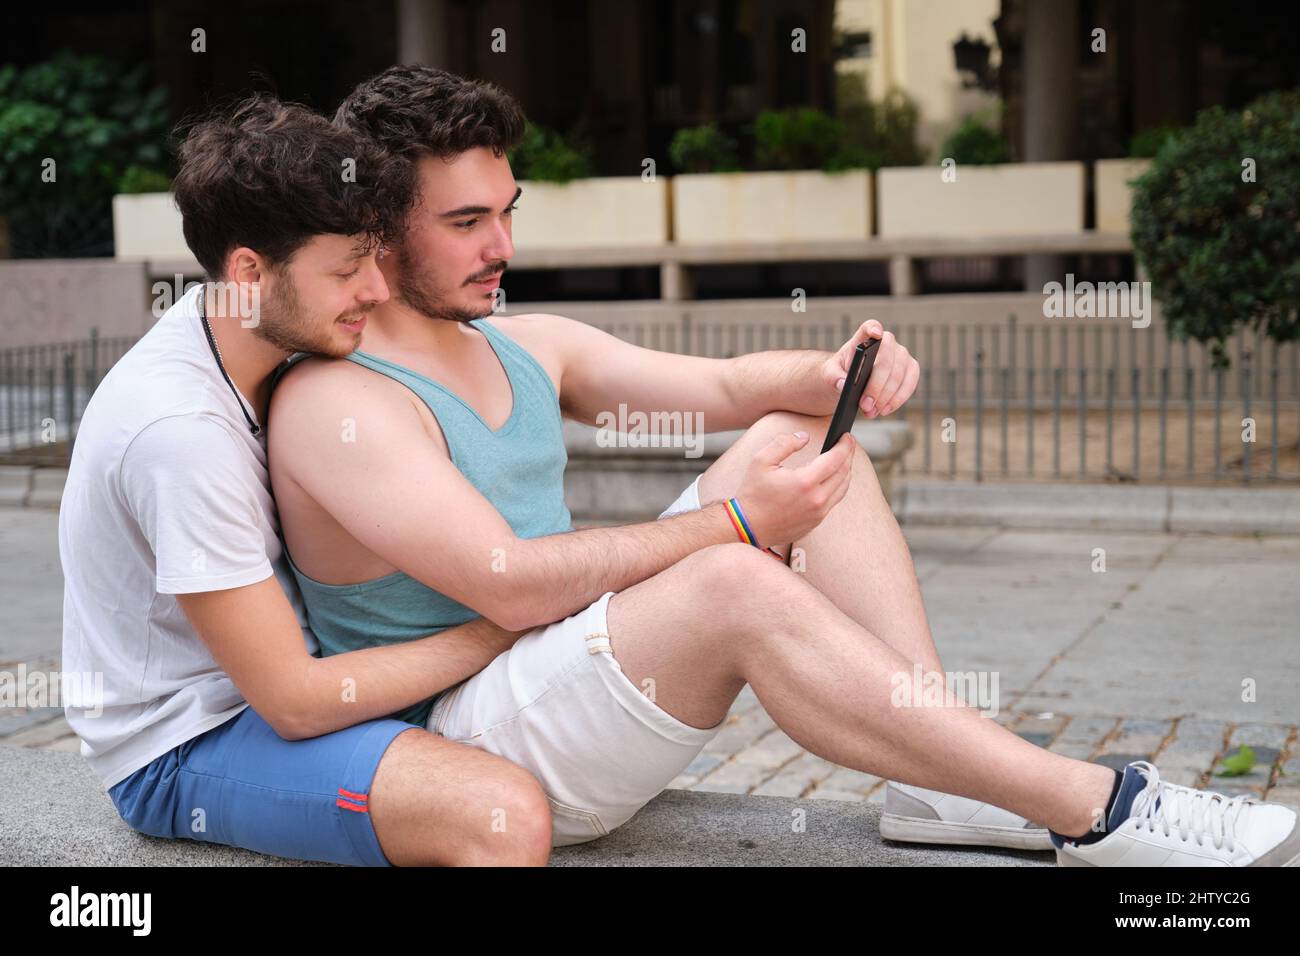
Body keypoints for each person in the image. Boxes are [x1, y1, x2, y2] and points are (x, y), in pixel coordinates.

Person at [266, 65, 1300, 867]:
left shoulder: (521, 342)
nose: (502, 243)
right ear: (378, 229)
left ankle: (941, 784)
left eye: (507, 210)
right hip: (468, 736)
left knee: (800, 442)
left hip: (559, 666)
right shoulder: (338, 400)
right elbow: (509, 581)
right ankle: (1092, 806)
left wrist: (827, 371)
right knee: (730, 575)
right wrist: (736, 525)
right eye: (465, 223)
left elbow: (723, 390)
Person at [59, 94, 557, 867]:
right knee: (497, 814)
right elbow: (290, 702)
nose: (377, 291)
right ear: (250, 271)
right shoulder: (178, 431)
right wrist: (510, 621)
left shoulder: (252, 333)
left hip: (298, 695)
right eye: (348, 270)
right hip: (189, 742)